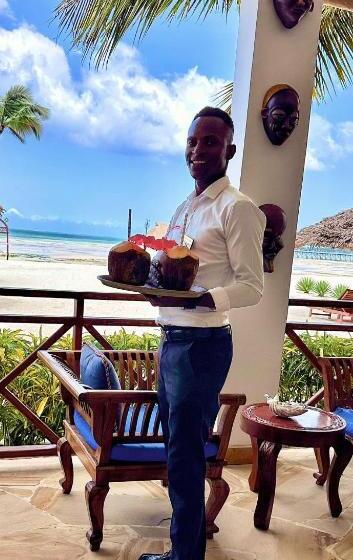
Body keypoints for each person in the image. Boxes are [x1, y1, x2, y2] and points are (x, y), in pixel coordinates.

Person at [139, 107, 266, 560]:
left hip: (202, 346)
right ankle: (183, 551)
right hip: (172, 341)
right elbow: (176, 270)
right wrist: (153, 286)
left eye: (210, 142)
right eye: (193, 141)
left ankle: (185, 557)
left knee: (186, 456)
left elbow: (252, 286)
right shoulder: (185, 207)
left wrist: (200, 300)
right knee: (177, 451)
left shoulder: (238, 208)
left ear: (230, 150)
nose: (198, 150)